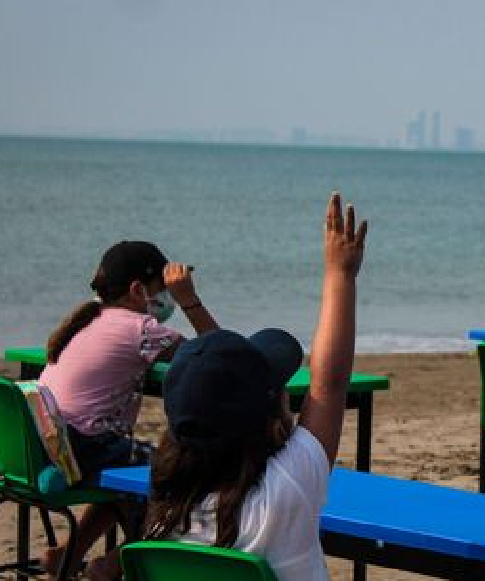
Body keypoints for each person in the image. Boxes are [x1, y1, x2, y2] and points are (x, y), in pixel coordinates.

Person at [143, 192, 367, 581]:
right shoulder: (287, 488)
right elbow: (329, 384)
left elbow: (322, 385)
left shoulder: (167, 503)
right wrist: (340, 274)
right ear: (270, 413)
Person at [38, 240, 219, 578]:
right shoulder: (140, 330)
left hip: (54, 445)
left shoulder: (86, 320)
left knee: (127, 477)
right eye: (163, 289)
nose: (167, 298)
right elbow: (218, 353)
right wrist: (189, 300)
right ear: (137, 290)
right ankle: (114, 564)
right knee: (187, 476)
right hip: (88, 447)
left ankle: (68, 554)